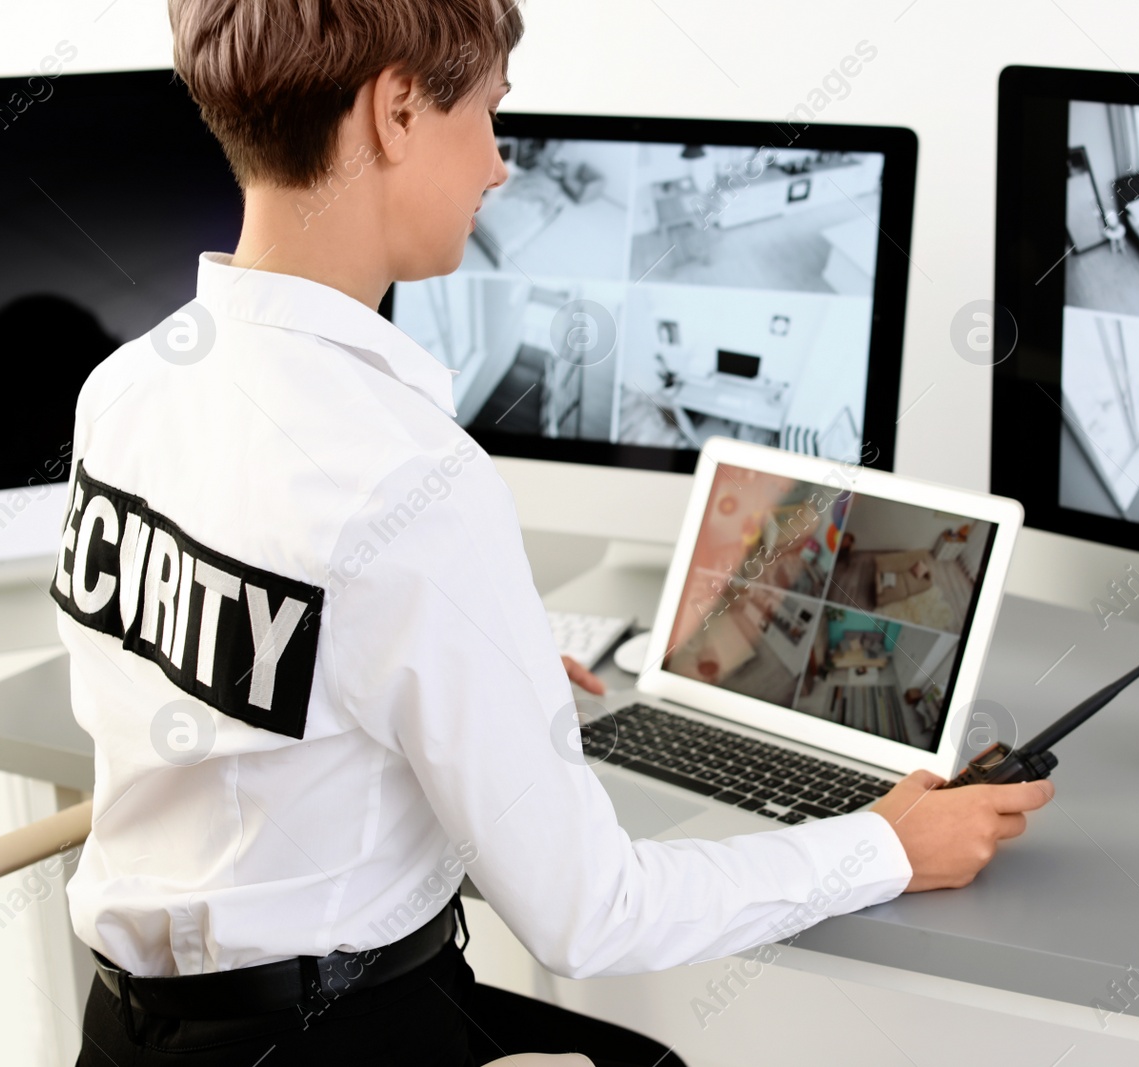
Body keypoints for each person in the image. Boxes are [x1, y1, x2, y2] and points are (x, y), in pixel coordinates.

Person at [54, 1, 1055, 1063]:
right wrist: (883, 845)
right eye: (488, 113)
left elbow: (232, 682)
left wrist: (471, 677)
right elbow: (593, 913)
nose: (497, 165)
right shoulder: (413, 477)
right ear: (396, 110)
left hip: (129, 1033)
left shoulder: (127, 388)